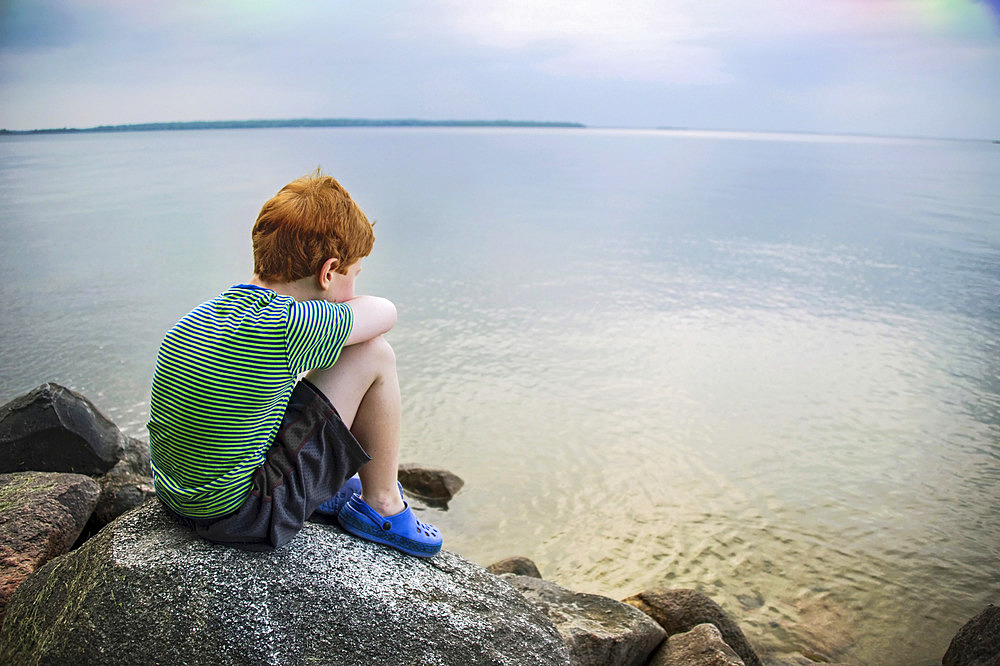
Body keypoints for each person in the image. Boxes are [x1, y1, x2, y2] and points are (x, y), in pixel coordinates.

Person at [146, 170, 442, 557]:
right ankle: (383, 503)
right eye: (353, 275)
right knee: (374, 353)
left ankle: (328, 491)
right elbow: (385, 313)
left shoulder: (200, 317)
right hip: (243, 516)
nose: (353, 287)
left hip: (177, 496)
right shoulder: (290, 324)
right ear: (328, 272)